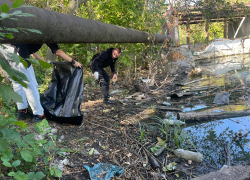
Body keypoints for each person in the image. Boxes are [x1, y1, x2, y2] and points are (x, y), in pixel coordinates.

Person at [1, 43, 82, 123]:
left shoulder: (31, 33)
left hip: (2, 48)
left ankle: (22, 111)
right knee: (30, 84)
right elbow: (57, 51)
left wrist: (43, 62)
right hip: (16, 50)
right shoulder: (47, 31)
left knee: (16, 81)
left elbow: (32, 52)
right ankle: (39, 114)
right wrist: (73, 61)